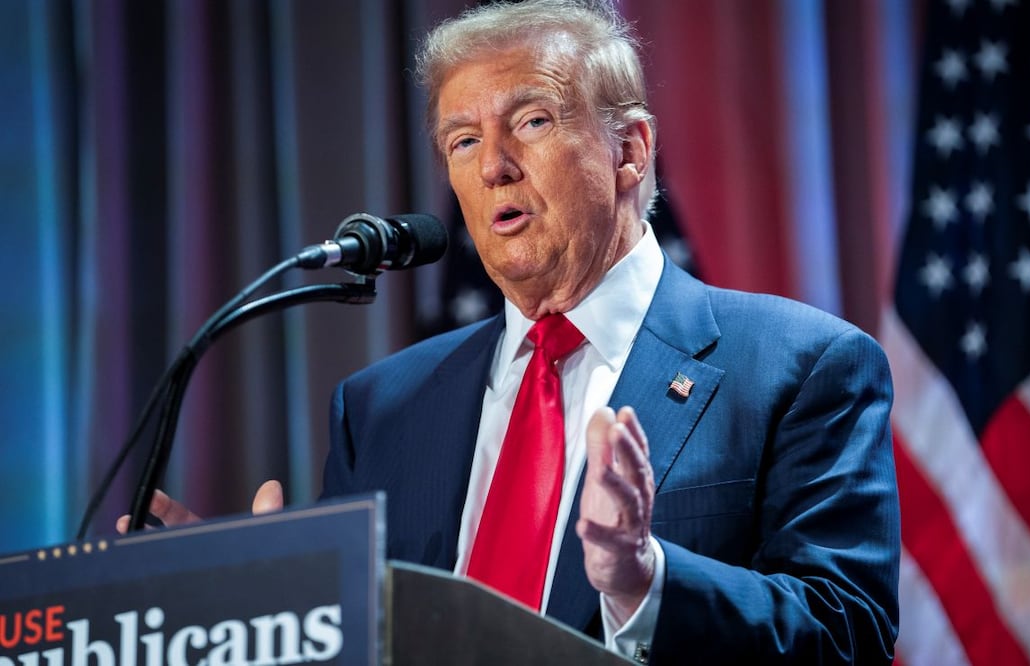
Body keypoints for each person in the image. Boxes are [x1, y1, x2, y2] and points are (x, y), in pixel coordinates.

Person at [123, 1, 900, 662]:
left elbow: (848, 632)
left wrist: (644, 580)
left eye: (531, 120)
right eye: (462, 141)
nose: (493, 165)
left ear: (629, 152)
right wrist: (268, 606)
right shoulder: (380, 408)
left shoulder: (798, 366)